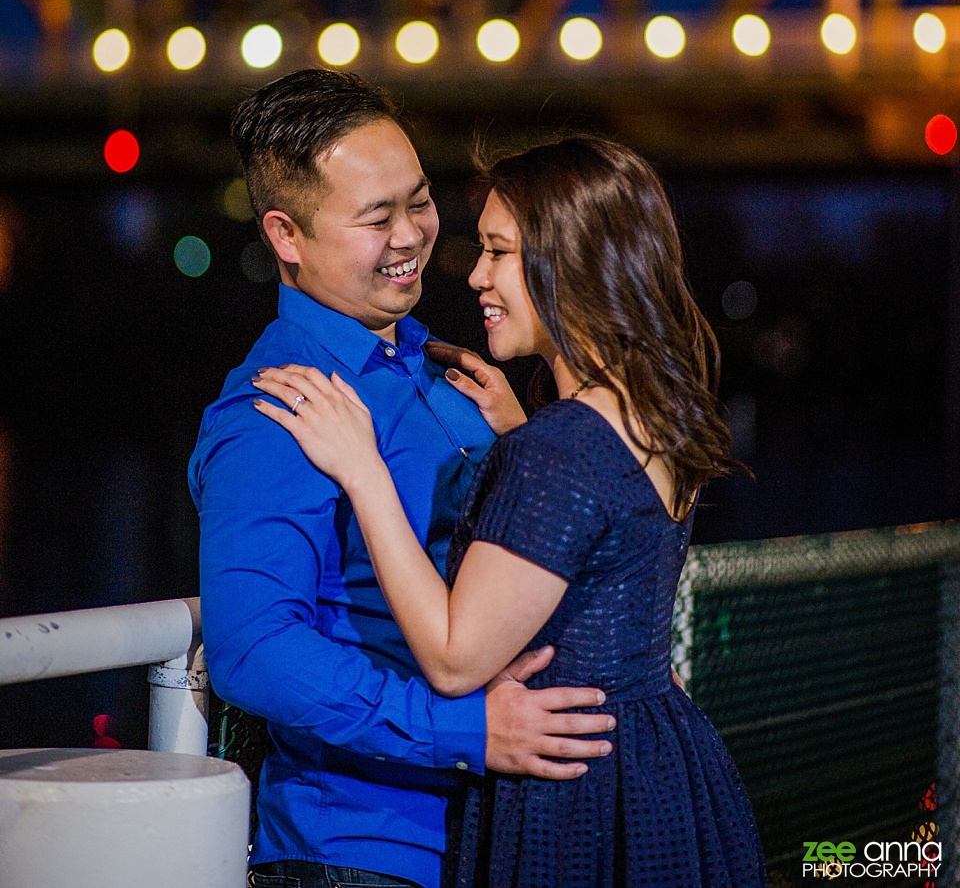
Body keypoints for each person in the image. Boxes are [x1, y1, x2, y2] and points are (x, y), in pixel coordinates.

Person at [253, 136, 767, 888]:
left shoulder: (561, 449)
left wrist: (363, 470)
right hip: (659, 770)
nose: (477, 274)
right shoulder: (647, 415)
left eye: (499, 252)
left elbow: (456, 658)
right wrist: (520, 437)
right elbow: (605, 542)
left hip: (573, 798)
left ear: (573, 262)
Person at [189, 72, 615, 888]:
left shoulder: (443, 374)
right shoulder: (277, 408)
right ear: (286, 235)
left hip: (499, 828)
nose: (412, 235)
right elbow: (256, 651)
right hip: (361, 850)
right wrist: (465, 730)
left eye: (417, 202)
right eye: (374, 217)